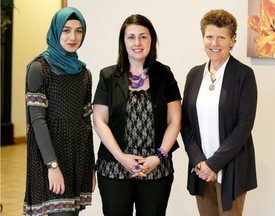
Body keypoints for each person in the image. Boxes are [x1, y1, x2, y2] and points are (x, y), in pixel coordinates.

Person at [92, 14, 182, 216]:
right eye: (131, 37)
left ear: (152, 39)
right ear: (123, 42)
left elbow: (175, 120)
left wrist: (159, 156)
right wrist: (121, 157)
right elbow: (99, 120)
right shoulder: (108, 76)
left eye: (143, 36)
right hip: (114, 167)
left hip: (156, 168)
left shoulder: (164, 74)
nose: (137, 43)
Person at [181, 9, 258, 216]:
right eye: (209, 36)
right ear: (203, 38)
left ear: (232, 40)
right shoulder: (194, 75)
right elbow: (185, 122)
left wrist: (213, 165)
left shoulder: (244, 75)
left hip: (230, 170)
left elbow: (244, 126)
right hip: (201, 171)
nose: (214, 43)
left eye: (221, 37)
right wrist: (199, 163)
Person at [23, 7, 96, 216]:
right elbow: (38, 121)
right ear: (55, 32)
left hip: (77, 156)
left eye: (79, 31)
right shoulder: (40, 68)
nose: (73, 37)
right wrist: (52, 166)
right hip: (50, 156)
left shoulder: (84, 74)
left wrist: (90, 166)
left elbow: (86, 124)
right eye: (66, 30)